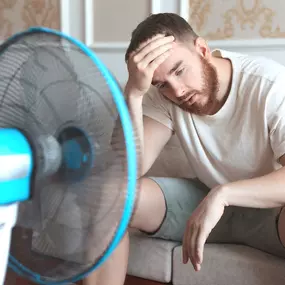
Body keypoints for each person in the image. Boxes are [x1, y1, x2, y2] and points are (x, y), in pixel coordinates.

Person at [84, 12, 285, 285]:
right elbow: (127, 170)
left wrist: (224, 194)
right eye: (161, 84)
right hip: (205, 201)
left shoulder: (270, 85)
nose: (176, 91)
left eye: (179, 70)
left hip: (273, 210)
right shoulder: (164, 96)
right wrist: (134, 93)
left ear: (202, 49)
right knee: (111, 194)